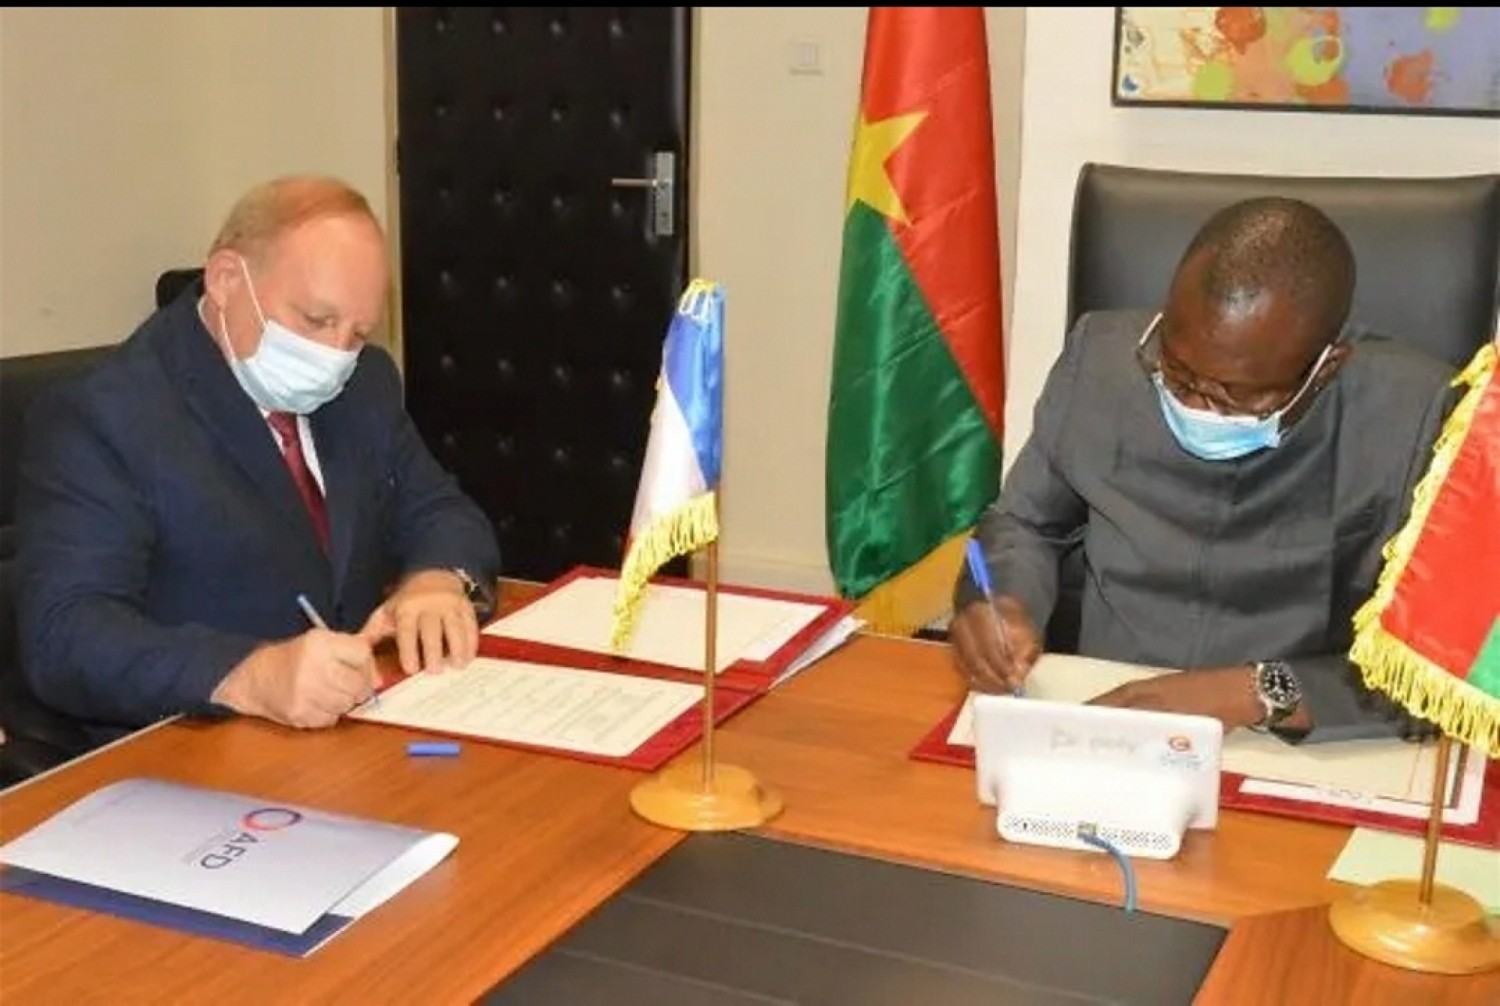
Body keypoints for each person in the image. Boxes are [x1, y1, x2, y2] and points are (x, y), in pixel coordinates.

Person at [16, 175, 502, 750]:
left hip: (348, 732)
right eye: (316, 321)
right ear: (226, 279)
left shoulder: (363, 383)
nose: (335, 355)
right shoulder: (105, 417)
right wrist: (250, 674)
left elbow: (440, 509)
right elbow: (65, 634)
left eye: (357, 333)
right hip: (190, 747)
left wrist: (437, 580)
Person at [950, 196, 1456, 743]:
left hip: (1292, 739)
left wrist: (1256, 693)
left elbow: (1449, 670)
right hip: (1103, 715)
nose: (1195, 405)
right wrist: (1002, 601)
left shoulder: (1421, 416)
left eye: (1235, 395)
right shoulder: (1100, 361)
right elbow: (1024, 524)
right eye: (1176, 371)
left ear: (1325, 368)